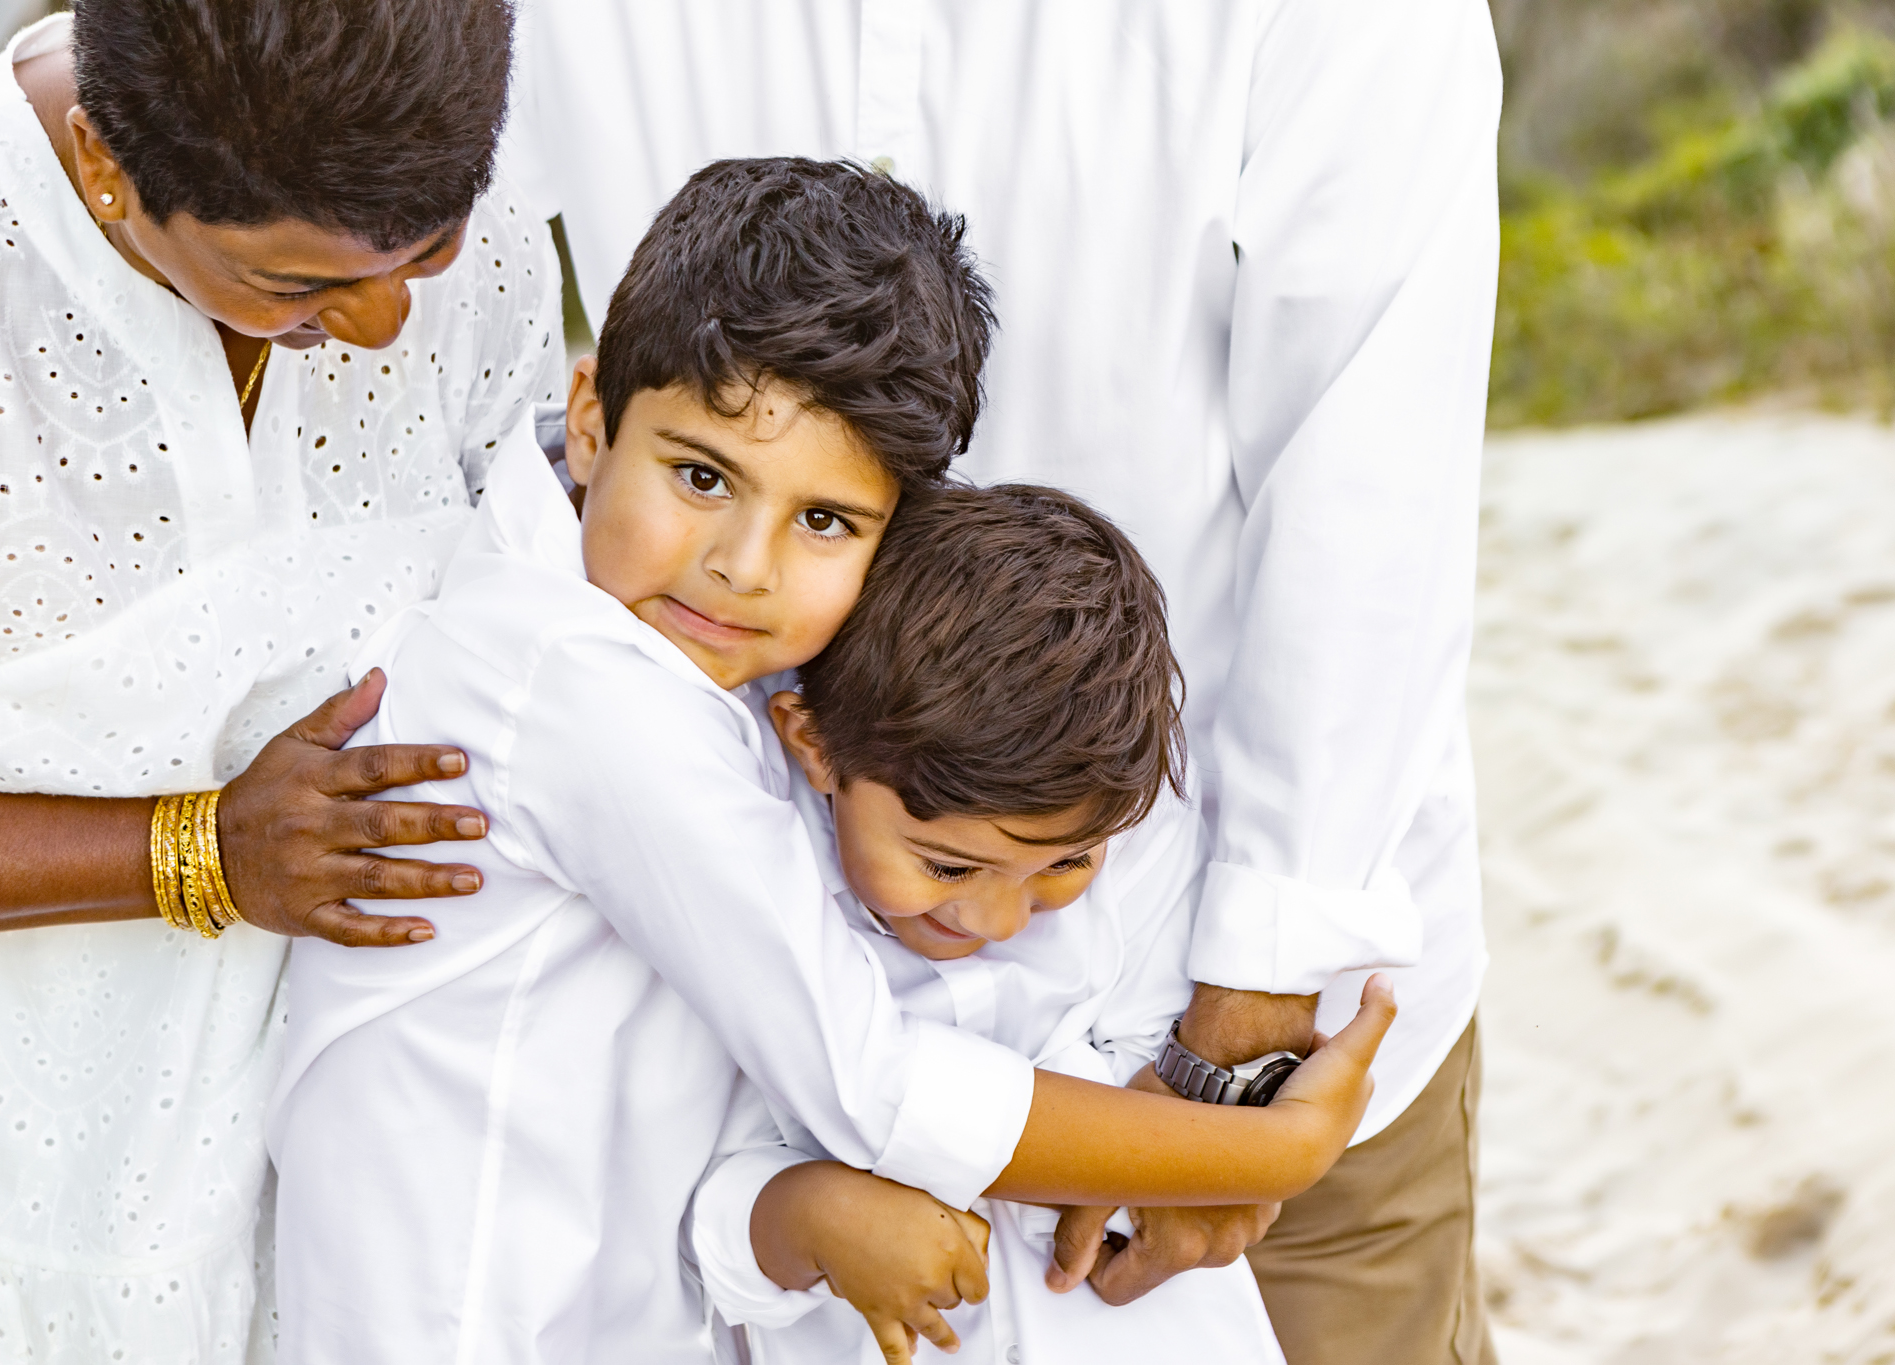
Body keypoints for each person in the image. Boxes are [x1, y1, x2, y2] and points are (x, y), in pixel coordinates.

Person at [500, 5, 1502, 1360]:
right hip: (761, 956)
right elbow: (435, 267)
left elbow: (1372, 478)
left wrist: (1243, 1044)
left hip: (1208, 967)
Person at [269, 157, 1393, 1365]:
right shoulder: (576, 686)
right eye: (701, 477)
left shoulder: (691, 651)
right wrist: (1275, 1150)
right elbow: (867, 1080)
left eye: (823, 521)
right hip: (469, 1320)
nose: (742, 565)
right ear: (591, 418)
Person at [0, 0, 560, 1356]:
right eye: (297, 287)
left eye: (430, 249)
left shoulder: (447, 187)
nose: (381, 322)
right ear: (102, 162)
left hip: (373, 1204)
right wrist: (193, 853)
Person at [688, 481, 1294, 1365]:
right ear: (812, 743)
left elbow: (1175, 1085)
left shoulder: (1144, 856)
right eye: (946, 865)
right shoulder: (770, 917)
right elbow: (704, 1212)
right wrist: (809, 1214)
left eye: (1062, 865)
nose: (1000, 918)